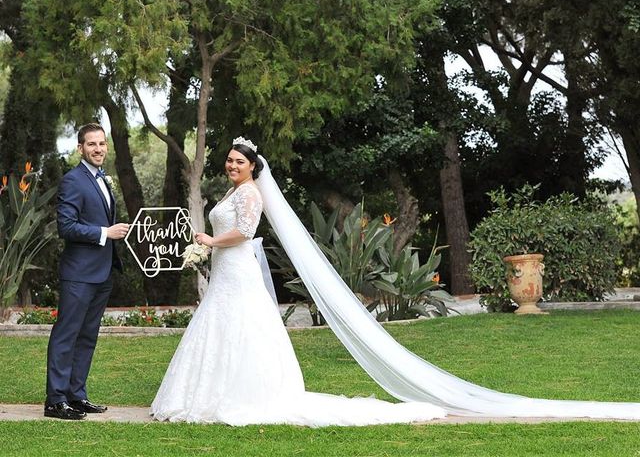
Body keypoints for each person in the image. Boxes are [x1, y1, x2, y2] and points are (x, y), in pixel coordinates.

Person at [152, 137, 640, 426]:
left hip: (233, 267)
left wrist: (209, 243)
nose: (234, 166)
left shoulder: (252, 194)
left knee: (243, 326)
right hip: (225, 275)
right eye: (231, 161)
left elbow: (246, 232)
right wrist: (208, 246)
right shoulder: (231, 191)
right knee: (220, 325)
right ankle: (205, 393)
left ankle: (242, 396)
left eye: (241, 161)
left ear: (254, 167)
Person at [45, 123, 130, 420]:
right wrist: (105, 232)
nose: (98, 149)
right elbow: (65, 227)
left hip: (102, 273)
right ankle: (55, 400)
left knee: (87, 336)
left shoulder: (102, 179)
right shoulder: (73, 180)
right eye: (91, 144)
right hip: (79, 274)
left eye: (102, 143)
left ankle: (76, 395)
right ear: (80, 148)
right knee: (66, 335)